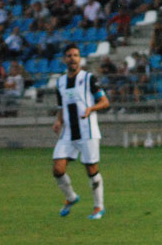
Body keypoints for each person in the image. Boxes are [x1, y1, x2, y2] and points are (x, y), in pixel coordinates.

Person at [52, 44, 109, 219]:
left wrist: (91, 109)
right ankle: (71, 197)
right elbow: (62, 106)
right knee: (57, 169)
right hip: (68, 132)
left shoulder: (89, 78)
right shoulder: (60, 82)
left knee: (91, 169)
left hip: (87, 131)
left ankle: (98, 207)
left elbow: (105, 102)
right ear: (64, 59)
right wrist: (58, 120)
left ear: (80, 58)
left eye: (76, 55)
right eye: (69, 55)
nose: (72, 58)